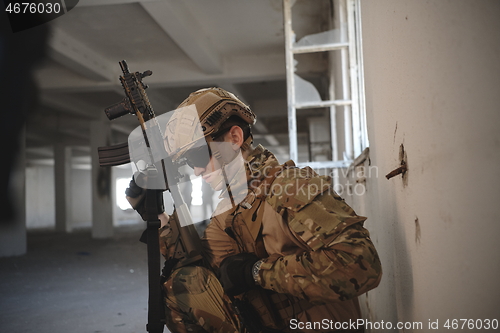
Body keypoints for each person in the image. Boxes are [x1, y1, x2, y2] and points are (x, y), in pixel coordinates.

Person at [130, 87, 382, 333]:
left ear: (234, 138)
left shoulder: (290, 186)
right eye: (188, 163)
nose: (196, 171)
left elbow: (361, 264)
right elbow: (203, 275)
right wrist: (158, 218)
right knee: (181, 286)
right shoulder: (227, 210)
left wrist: (257, 272)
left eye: (197, 157)